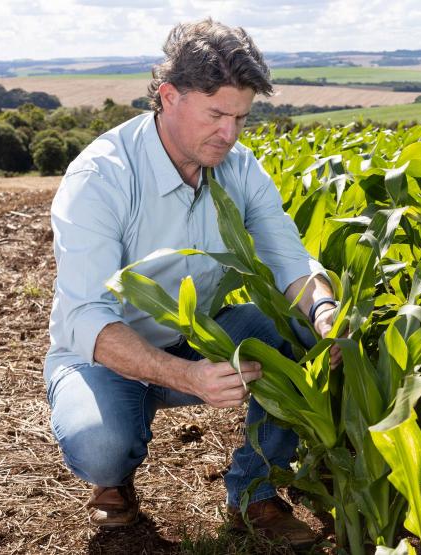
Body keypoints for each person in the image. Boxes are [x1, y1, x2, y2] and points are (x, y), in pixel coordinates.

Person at [43, 18, 339, 548]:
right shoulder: (103, 177)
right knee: (101, 444)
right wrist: (187, 377)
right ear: (169, 96)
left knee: (302, 336)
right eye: (217, 114)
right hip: (103, 354)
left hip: (201, 335)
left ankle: (254, 494)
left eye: (241, 118)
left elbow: (289, 260)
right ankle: (115, 480)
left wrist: (323, 311)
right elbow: (85, 316)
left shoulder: (239, 167)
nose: (230, 134)